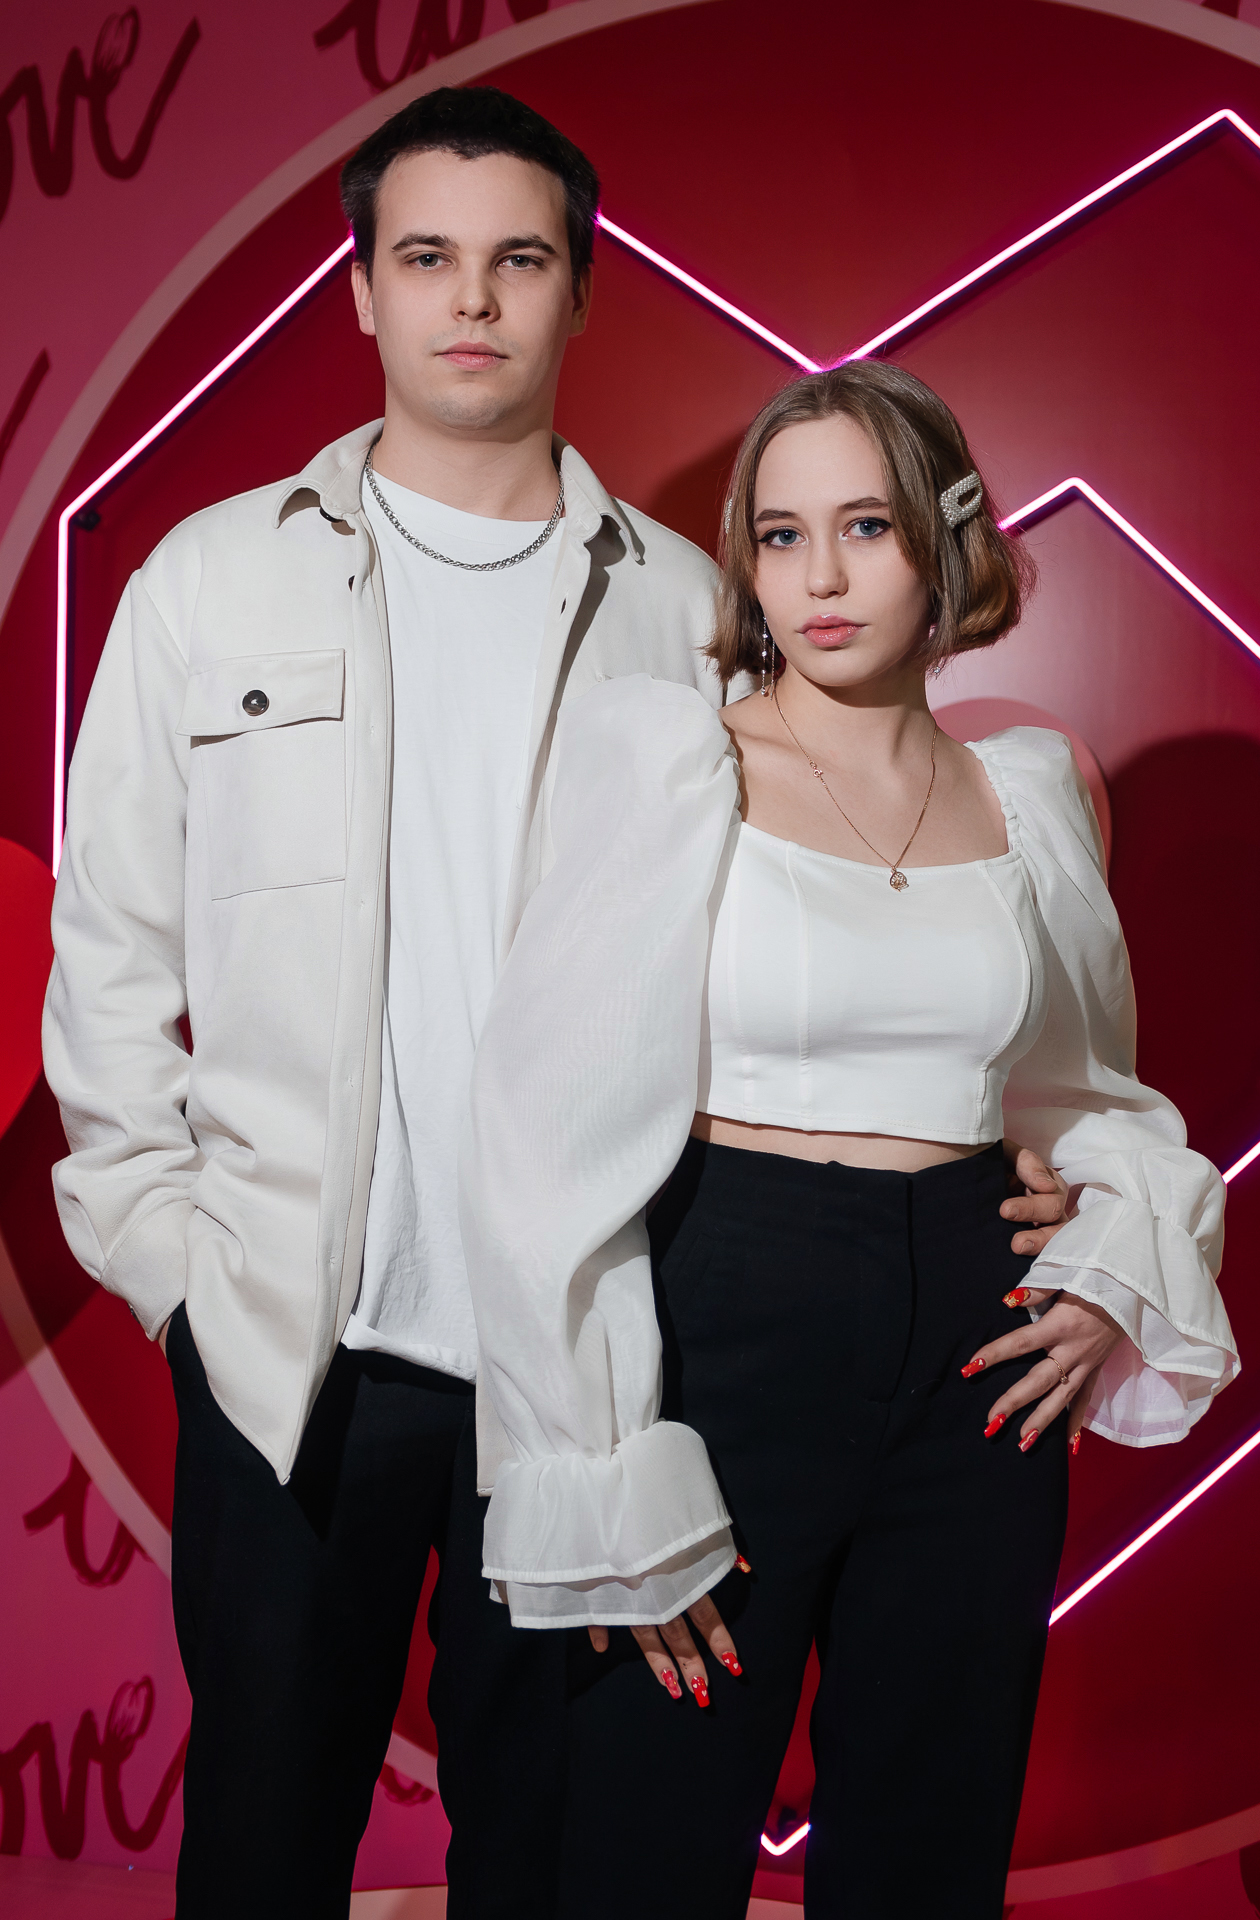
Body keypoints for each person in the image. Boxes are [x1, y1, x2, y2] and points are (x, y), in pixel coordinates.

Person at [40, 84, 739, 1919]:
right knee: (261, 1857)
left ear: (580, 291)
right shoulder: (211, 579)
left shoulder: (684, 612)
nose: (472, 300)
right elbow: (109, 958)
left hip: (578, 1356)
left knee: (556, 1870)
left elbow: (760, 961)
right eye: (426, 257)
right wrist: (180, 1276)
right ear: (360, 291)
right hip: (293, 1358)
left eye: (519, 259)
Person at [457, 362, 1239, 1919]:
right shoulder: (667, 759)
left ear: (945, 541)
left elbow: (1086, 1096)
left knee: (928, 1843)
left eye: (865, 526)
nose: (818, 576)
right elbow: (535, 1134)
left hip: (972, 1343)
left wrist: (1105, 1264)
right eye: (780, 534)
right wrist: (597, 1460)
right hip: (722, 1309)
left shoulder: (1026, 797)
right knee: (643, 1841)